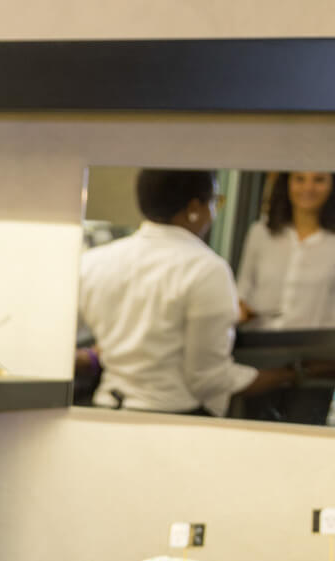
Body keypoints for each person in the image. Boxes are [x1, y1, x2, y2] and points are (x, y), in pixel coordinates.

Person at [78, 169, 297, 415]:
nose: (213, 213)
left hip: (104, 410)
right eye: (215, 202)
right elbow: (209, 379)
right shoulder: (206, 269)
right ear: (194, 208)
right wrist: (289, 374)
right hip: (172, 417)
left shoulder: (94, 262)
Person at [237, 171, 335, 330]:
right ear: (287, 183)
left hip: (316, 343)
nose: (308, 188)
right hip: (257, 337)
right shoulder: (261, 233)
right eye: (300, 179)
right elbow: (243, 291)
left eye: (319, 180)